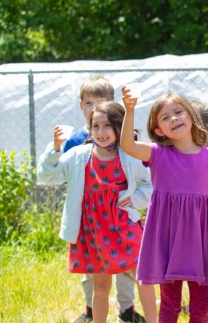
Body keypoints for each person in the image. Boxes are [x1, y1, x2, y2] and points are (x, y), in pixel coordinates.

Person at [38, 102, 157, 323]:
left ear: (120, 127)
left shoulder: (129, 157)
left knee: (144, 278)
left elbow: (153, 182)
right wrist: (55, 148)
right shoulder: (78, 156)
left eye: (107, 126)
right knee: (101, 286)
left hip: (125, 228)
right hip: (95, 232)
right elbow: (48, 176)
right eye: (95, 126)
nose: (101, 132)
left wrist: (135, 199)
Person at [120, 91, 208, 322]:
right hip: (168, 241)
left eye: (178, 112)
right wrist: (130, 110)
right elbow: (128, 146)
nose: (173, 118)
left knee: (201, 308)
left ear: (191, 116)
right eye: (165, 117)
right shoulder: (158, 154)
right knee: (170, 307)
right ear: (158, 130)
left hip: (201, 241)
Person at [60, 77, 146, 323]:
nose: (93, 108)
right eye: (88, 103)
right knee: (93, 272)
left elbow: (140, 171)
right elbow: (70, 172)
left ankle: (127, 309)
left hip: (116, 220)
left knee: (126, 268)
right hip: (91, 219)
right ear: (81, 106)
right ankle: (90, 309)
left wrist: (135, 199)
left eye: (101, 102)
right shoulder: (76, 140)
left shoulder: (119, 133)